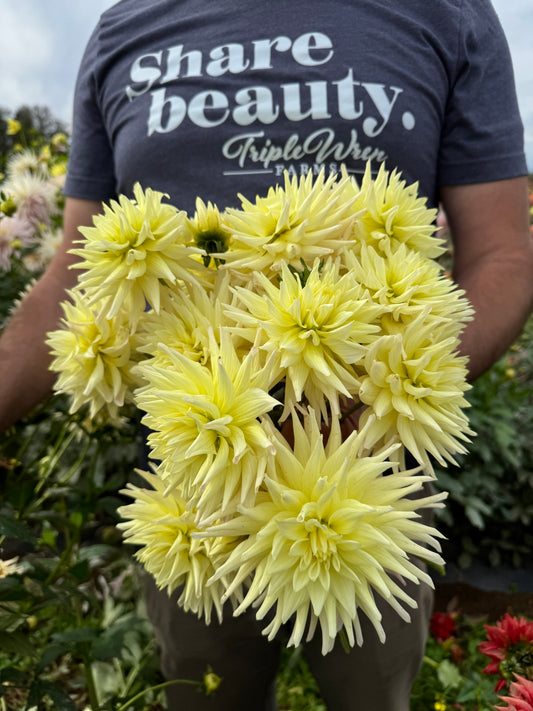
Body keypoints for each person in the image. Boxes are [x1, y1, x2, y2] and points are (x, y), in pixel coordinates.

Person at [1, 0, 532, 708]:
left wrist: (387, 387)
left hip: (372, 476)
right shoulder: (124, 27)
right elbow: (79, 269)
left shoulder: (446, 12)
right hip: (192, 477)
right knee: (203, 691)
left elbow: (504, 251)